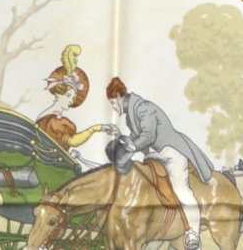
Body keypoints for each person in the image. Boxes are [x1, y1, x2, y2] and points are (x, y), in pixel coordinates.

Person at [104, 76, 213, 250]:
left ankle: (192, 233)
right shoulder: (130, 116)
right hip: (154, 156)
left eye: (112, 103)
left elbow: (148, 135)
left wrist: (132, 145)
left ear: (117, 96)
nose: (113, 107)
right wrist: (119, 140)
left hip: (170, 152)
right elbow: (135, 138)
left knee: (182, 190)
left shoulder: (143, 108)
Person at [35, 44, 104, 169]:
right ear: (57, 94)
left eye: (72, 98)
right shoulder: (53, 121)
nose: (71, 100)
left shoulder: (46, 116)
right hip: (48, 167)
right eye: (68, 95)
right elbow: (73, 141)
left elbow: (56, 148)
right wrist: (96, 128)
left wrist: (70, 155)